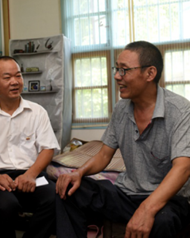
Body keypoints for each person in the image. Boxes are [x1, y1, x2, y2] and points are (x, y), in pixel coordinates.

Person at [56, 41, 190, 238]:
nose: (117, 76)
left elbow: (183, 168)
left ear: (150, 74)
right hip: (127, 194)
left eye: (124, 70)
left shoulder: (180, 111)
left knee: (163, 220)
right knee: (68, 189)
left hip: (167, 200)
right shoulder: (121, 108)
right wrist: (78, 173)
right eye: (116, 69)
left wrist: (147, 209)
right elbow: (104, 154)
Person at [0, 56, 60, 238]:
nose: (15, 82)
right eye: (7, 77)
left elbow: (48, 149)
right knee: (5, 205)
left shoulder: (37, 112)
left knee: (55, 199)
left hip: (30, 174)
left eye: (18, 76)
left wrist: (30, 174)